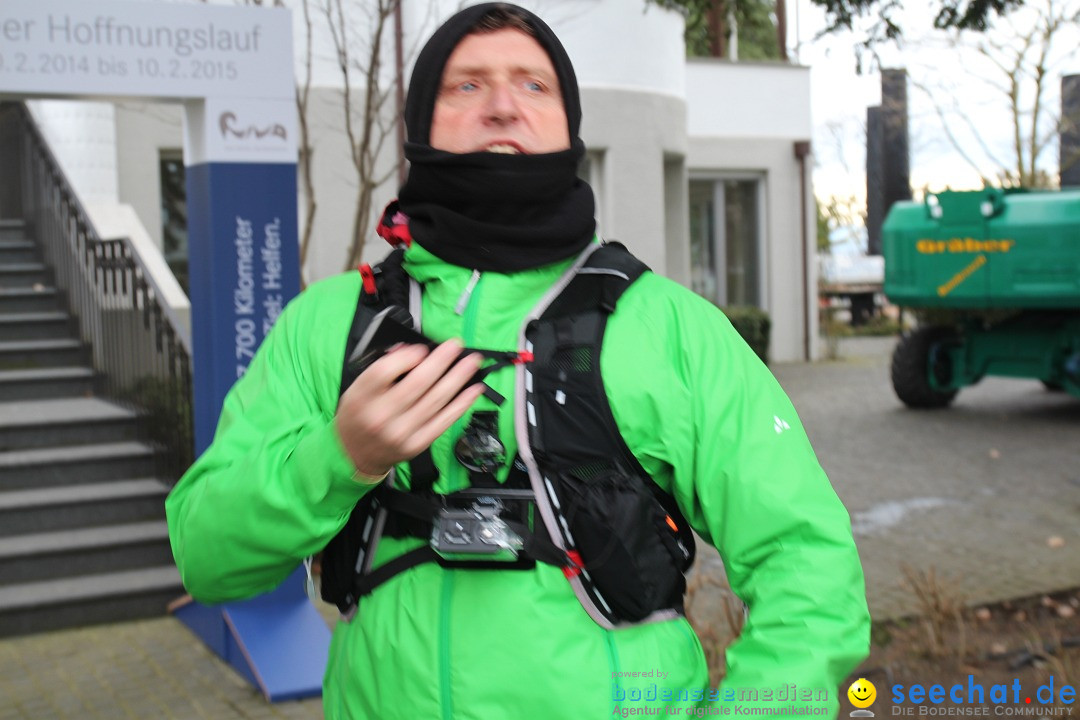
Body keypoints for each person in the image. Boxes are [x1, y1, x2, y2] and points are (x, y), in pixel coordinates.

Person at [166, 3, 870, 718]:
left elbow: (808, 566)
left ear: (570, 127)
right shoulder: (330, 324)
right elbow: (207, 557)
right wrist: (340, 459)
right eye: (466, 85)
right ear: (419, 125)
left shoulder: (670, 329)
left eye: (534, 86)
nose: (503, 105)